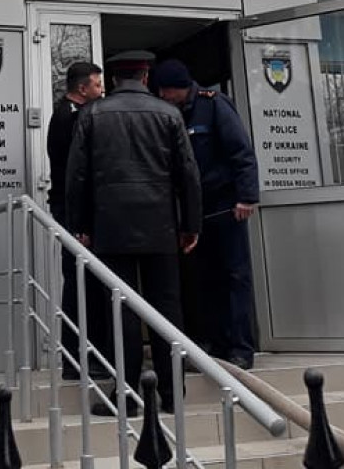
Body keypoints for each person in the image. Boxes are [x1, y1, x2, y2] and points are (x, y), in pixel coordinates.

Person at [66, 50, 201, 415]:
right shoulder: (169, 113)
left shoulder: (92, 114)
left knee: (120, 310)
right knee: (166, 310)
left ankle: (126, 396)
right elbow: (188, 174)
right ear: (145, 78)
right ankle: (172, 394)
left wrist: (80, 226)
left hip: (111, 227)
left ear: (113, 80)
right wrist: (190, 225)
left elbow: (77, 175)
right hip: (161, 226)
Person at [152, 58, 260, 370]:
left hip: (226, 207)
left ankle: (241, 348)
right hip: (195, 211)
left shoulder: (214, 105)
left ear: (177, 88)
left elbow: (241, 152)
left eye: (165, 91)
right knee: (204, 279)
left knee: (234, 276)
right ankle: (214, 344)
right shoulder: (171, 113)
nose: (162, 96)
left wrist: (247, 197)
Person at [46, 60, 106, 380]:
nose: (102, 90)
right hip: (74, 211)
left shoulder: (72, 113)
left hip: (75, 210)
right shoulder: (71, 118)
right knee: (81, 284)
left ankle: (86, 356)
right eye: (97, 85)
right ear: (82, 89)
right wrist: (81, 223)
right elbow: (77, 172)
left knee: (87, 283)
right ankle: (77, 358)